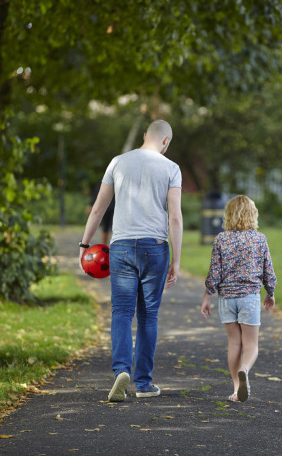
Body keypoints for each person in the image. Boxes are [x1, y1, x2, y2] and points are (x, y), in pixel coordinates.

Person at [79, 119, 183, 402]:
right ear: (165, 141)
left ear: (145, 135)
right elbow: (174, 217)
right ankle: (143, 383)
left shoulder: (117, 162)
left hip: (122, 247)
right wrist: (176, 258)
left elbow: (99, 208)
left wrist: (85, 245)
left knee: (121, 312)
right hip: (156, 248)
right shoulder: (171, 168)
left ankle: (120, 372)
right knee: (148, 315)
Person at [200, 194, 277, 403]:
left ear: (229, 215)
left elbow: (214, 273)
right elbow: (267, 271)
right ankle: (245, 370)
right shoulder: (259, 239)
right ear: (253, 214)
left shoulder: (221, 239)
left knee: (234, 343)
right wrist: (270, 293)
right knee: (251, 344)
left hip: (226, 298)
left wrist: (207, 297)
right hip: (249, 298)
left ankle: (236, 389)